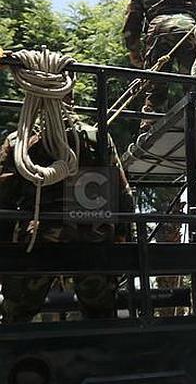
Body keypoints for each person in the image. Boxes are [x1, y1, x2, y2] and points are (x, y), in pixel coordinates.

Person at [0, 114, 134, 324]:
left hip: (36, 242)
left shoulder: (19, 142)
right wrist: (122, 242)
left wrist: (7, 253)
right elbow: (123, 196)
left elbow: (3, 200)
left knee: (16, 316)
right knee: (100, 316)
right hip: (91, 240)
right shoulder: (97, 138)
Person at [122, 0, 196, 132]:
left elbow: (133, 14)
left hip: (159, 29)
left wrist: (133, 49)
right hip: (189, 28)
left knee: (156, 84)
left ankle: (149, 125)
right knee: (192, 81)